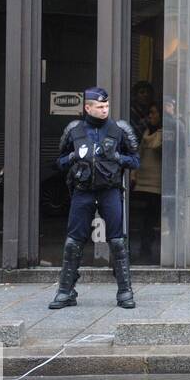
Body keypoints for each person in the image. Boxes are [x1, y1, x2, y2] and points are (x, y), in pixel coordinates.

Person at [49, 87, 140, 310]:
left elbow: (136, 161)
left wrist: (118, 157)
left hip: (110, 190)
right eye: (99, 107)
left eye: (106, 106)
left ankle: (125, 292)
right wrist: (72, 157)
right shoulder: (74, 130)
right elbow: (58, 162)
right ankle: (65, 291)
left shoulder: (120, 129)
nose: (104, 110)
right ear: (87, 107)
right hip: (82, 190)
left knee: (118, 241)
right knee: (73, 242)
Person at [130, 101, 162, 262]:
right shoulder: (146, 132)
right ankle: (144, 249)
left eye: (154, 113)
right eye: (149, 112)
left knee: (151, 219)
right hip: (143, 184)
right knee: (145, 220)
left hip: (157, 185)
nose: (150, 116)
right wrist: (133, 174)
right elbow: (139, 154)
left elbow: (156, 146)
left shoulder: (163, 133)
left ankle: (150, 250)